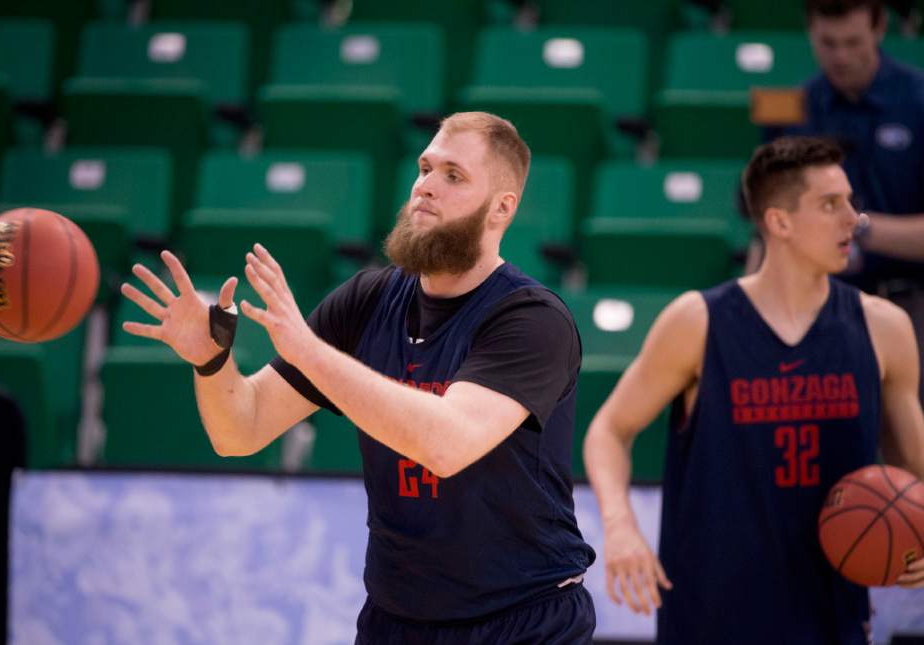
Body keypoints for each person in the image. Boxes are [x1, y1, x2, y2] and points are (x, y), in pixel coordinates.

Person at [120, 111, 597, 644]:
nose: (426, 187)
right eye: (425, 167)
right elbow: (242, 428)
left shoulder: (530, 319)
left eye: (453, 176)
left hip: (521, 619)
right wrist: (210, 362)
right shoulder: (368, 300)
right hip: (396, 619)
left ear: (501, 208)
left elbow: (446, 443)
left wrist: (309, 351)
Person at [584, 137, 924, 645]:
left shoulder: (885, 329)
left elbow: (913, 466)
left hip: (832, 615)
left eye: (850, 201)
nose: (853, 219)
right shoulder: (698, 322)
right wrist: (620, 527)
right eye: (831, 204)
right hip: (712, 615)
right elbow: (610, 429)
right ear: (779, 222)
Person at [760, 0, 924, 403]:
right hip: (818, 308)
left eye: (853, 42)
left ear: (880, 27)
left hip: (912, 305)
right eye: (828, 43)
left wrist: (855, 225)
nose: (841, 56)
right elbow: (765, 226)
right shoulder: (784, 104)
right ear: (810, 31)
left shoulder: (919, 99)